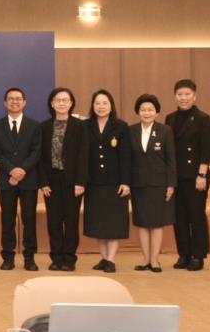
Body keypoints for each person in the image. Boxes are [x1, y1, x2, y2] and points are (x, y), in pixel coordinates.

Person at [37, 87, 87, 272]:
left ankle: (69, 259)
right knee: (54, 221)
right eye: (58, 100)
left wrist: (81, 182)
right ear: (52, 103)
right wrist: (43, 182)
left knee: (71, 221)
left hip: (73, 181)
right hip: (52, 180)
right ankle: (56, 258)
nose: (62, 103)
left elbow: (84, 156)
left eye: (65, 100)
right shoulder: (44, 127)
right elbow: (40, 158)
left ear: (71, 103)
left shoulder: (80, 126)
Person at [0, 88, 42, 271]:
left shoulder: (34, 126)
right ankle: (8, 257)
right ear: (5, 103)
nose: (15, 102)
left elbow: (36, 151)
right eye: (11, 99)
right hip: (6, 180)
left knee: (29, 220)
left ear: (24, 102)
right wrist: (12, 170)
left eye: (18, 99)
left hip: (29, 180)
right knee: (7, 220)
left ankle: (30, 258)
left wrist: (22, 170)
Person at [83, 90, 132, 273]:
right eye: (97, 103)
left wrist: (126, 182)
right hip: (93, 183)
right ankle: (104, 258)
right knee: (98, 223)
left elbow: (126, 156)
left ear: (111, 106)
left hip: (115, 183)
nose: (101, 106)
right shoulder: (86, 126)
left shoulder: (121, 126)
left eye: (105, 103)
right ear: (92, 106)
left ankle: (111, 259)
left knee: (113, 222)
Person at [166, 79, 210, 271]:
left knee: (196, 215)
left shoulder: (203, 118)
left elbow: (206, 148)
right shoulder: (170, 118)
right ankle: (184, 254)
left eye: (187, 94)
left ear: (194, 96)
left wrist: (202, 174)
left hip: (196, 176)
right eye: (180, 94)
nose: (183, 98)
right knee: (179, 217)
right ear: (175, 96)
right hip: (176, 176)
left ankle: (198, 255)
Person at [130, 94, 176, 272]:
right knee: (142, 223)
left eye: (150, 109)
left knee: (156, 223)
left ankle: (155, 260)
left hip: (159, 184)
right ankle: (146, 260)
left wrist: (171, 184)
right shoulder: (131, 131)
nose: (147, 113)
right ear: (138, 112)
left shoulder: (165, 131)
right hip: (138, 184)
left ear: (157, 112)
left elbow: (171, 160)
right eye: (143, 109)